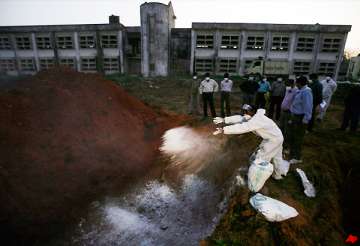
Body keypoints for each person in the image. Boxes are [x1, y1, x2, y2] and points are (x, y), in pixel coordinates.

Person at [213, 104, 286, 179]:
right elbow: (240, 118)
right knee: (277, 157)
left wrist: (224, 130)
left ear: (252, 111)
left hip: (273, 140)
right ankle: (278, 175)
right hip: (277, 137)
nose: (244, 113)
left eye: (246, 111)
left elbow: (243, 127)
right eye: (243, 111)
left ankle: (255, 180)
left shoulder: (257, 120)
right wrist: (224, 120)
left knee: (260, 159)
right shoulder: (252, 116)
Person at [288, 76, 313, 164]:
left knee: (298, 137)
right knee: (293, 135)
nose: (295, 85)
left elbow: (308, 107)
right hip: (296, 116)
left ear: (299, 83)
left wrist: (306, 120)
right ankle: (292, 152)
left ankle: (297, 157)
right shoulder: (300, 91)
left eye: (296, 83)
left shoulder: (306, 92)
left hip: (301, 118)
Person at [279, 79, 298, 149]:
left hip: (289, 113)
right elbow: (286, 99)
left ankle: (286, 146)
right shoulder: (288, 89)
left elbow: (295, 103)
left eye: (287, 84)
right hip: (283, 111)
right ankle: (280, 142)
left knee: (287, 130)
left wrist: (292, 115)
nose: (286, 86)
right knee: (281, 127)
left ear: (292, 84)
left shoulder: (296, 91)